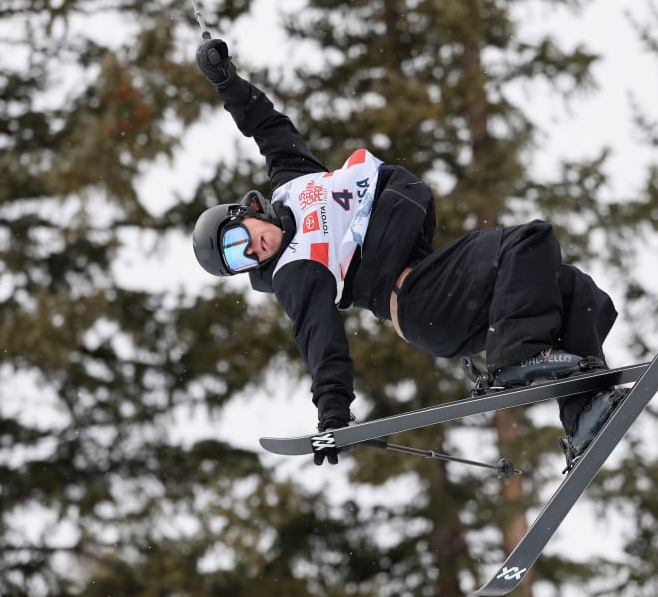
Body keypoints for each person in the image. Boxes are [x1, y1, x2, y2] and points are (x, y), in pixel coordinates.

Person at [191, 39, 625, 466]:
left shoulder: (293, 181)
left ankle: (585, 411)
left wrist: (227, 82)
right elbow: (319, 336)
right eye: (241, 260)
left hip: (437, 282)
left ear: (247, 212)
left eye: (238, 240)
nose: (253, 249)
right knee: (530, 241)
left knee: (572, 288)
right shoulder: (294, 270)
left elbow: (267, 126)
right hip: (420, 299)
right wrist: (333, 413)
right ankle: (516, 356)